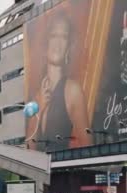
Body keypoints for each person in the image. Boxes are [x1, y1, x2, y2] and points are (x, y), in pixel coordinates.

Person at [27, 13, 91, 151]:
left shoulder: (73, 91)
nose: (58, 42)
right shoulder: (36, 96)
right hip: (39, 171)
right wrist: (40, 108)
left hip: (64, 170)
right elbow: (29, 150)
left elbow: (88, 147)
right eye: (54, 35)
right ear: (46, 43)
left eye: (64, 37)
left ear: (68, 46)